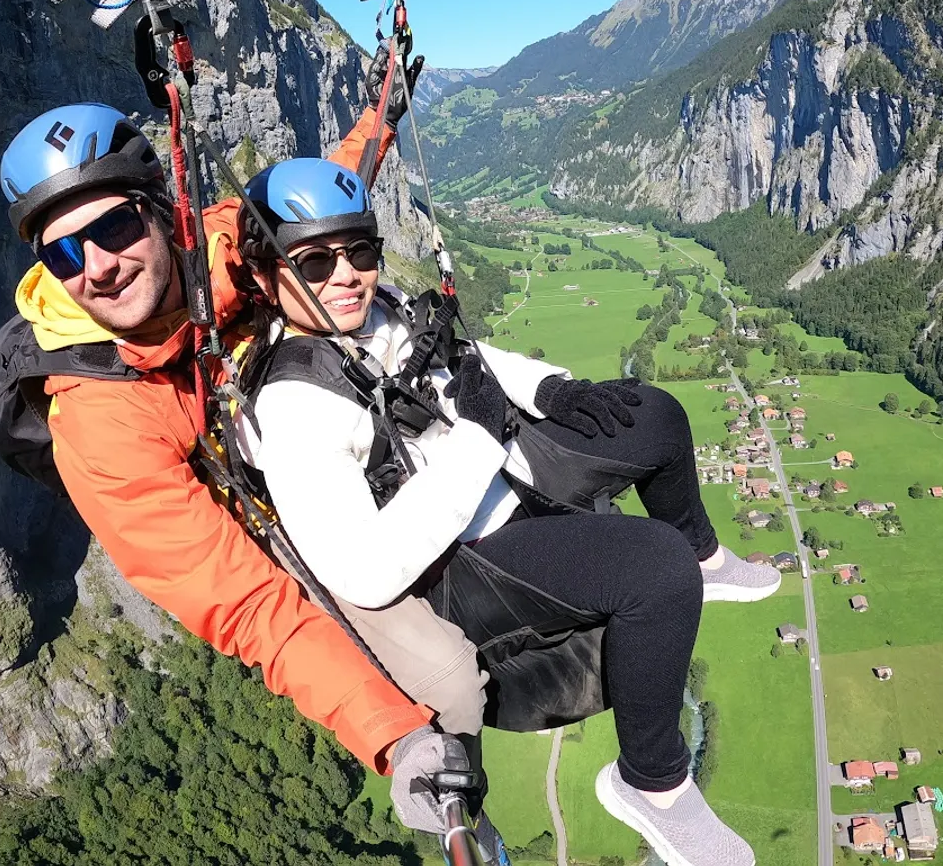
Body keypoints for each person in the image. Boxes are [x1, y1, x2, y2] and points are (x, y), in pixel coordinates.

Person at [0, 55, 481, 844]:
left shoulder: (213, 245)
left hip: (307, 440)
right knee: (451, 688)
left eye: (111, 229)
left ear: (159, 214)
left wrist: (382, 113)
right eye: (65, 255)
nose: (99, 268)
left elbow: (309, 203)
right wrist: (397, 737)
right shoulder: (98, 425)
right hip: (262, 530)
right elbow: (249, 603)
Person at [233, 156, 783, 866]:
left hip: (495, 467)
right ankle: (655, 783)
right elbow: (364, 572)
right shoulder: (295, 405)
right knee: (655, 568)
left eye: (358, 251)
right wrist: (482, 439)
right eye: (313, 262)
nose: (345, 275)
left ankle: (706, 555)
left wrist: (549, 390)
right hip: (461, 558)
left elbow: (459, 357)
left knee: (655, 415)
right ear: (267, 274)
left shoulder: (377, 308)